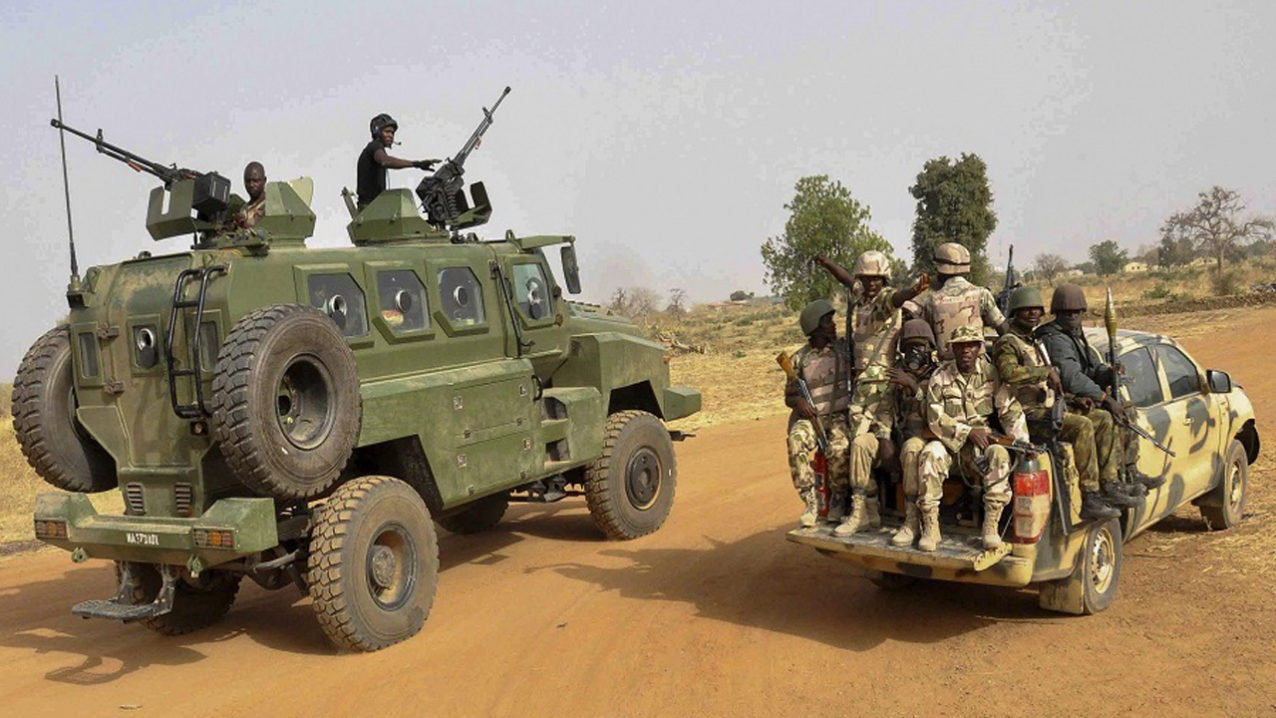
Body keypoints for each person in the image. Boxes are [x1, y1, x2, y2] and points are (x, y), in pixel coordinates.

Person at [815, 251, 928, 531]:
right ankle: (869, 509)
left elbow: (897, 298)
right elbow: (847, 280)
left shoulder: (884, 299)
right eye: (866, 279)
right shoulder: (861, 295)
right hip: (862, 386)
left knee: (883, 447)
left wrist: (914, 289)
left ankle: (900, 507)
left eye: (876, 278)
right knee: (860, 446)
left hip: (882, 385)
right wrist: (828, 262)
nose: (871, 284)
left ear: (884, 278)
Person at [992, 287, 1126, 520]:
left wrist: (1076, 399)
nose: (1033, 314)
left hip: (1049, 408)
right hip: (1027, 414)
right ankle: (1090, 496)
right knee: (1082, 426)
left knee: (1103, 419)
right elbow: (1008, 373)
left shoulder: (1033, 341)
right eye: (1026, 310)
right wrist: (1045, 372)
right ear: (1015, 313)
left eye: (1036, 310)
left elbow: (1053, 384)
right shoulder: (1007, 343)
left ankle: (1110, 484)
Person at [1035, 284, 1163, 495]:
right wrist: (1104, 398)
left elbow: (1092, 368)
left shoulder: (1075, 335)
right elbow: (1071, 378)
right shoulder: (1055, 339)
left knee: (1126, 409)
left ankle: (1129, 470)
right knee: (1106, 417)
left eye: (1077, 312)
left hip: (1080, 397)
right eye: (1068, 313)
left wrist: (1109, 372)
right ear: (1057, 313)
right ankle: (1109, 481)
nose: (1073, 316)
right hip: (1064, 400)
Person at [920, 324, 1029, 551]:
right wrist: (967, 431)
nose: (966, 351)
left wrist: (1021, 442)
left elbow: (1009, 410)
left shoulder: (991, 374)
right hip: (950, 445)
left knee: (999, 454)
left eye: (971, 345)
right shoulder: (940, 376)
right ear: (953, 349)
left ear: (979, 347)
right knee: (929, 453)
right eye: (960, 346)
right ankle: (931, 526)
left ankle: (991, 526)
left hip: (981, 448)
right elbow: (935, 417)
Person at [784, 300, 854, 528]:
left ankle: (837, 501)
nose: (833, 325)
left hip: (838, 416)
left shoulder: (843, 351)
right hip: (812, 419)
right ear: (814, 326)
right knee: (795, 442)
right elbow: (789, 396)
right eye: (827, 320)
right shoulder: (799, 359)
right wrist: (799, 401)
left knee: (839, 448)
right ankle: (810, 502)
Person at [903, 242, 1007, 359]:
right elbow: (1003, 329)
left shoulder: (932, 301)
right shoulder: (982, 294)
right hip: (977, 367)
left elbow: (926, 336)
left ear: (940, 269)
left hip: (945, 369)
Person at [356, 113, 440, 209]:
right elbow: (385, 161)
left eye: (392, 133)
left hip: (375, 207)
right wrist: (417, 164)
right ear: (377, 132)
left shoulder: (375, 148)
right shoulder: (374, 146)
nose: (391, 135)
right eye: (387, 132)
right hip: (370, 208)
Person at [238, 161, 266, 228]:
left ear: (264, 180)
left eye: (255, 181)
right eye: (248, 181)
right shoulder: (244, 209)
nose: (251, 185)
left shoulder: (271, 206)